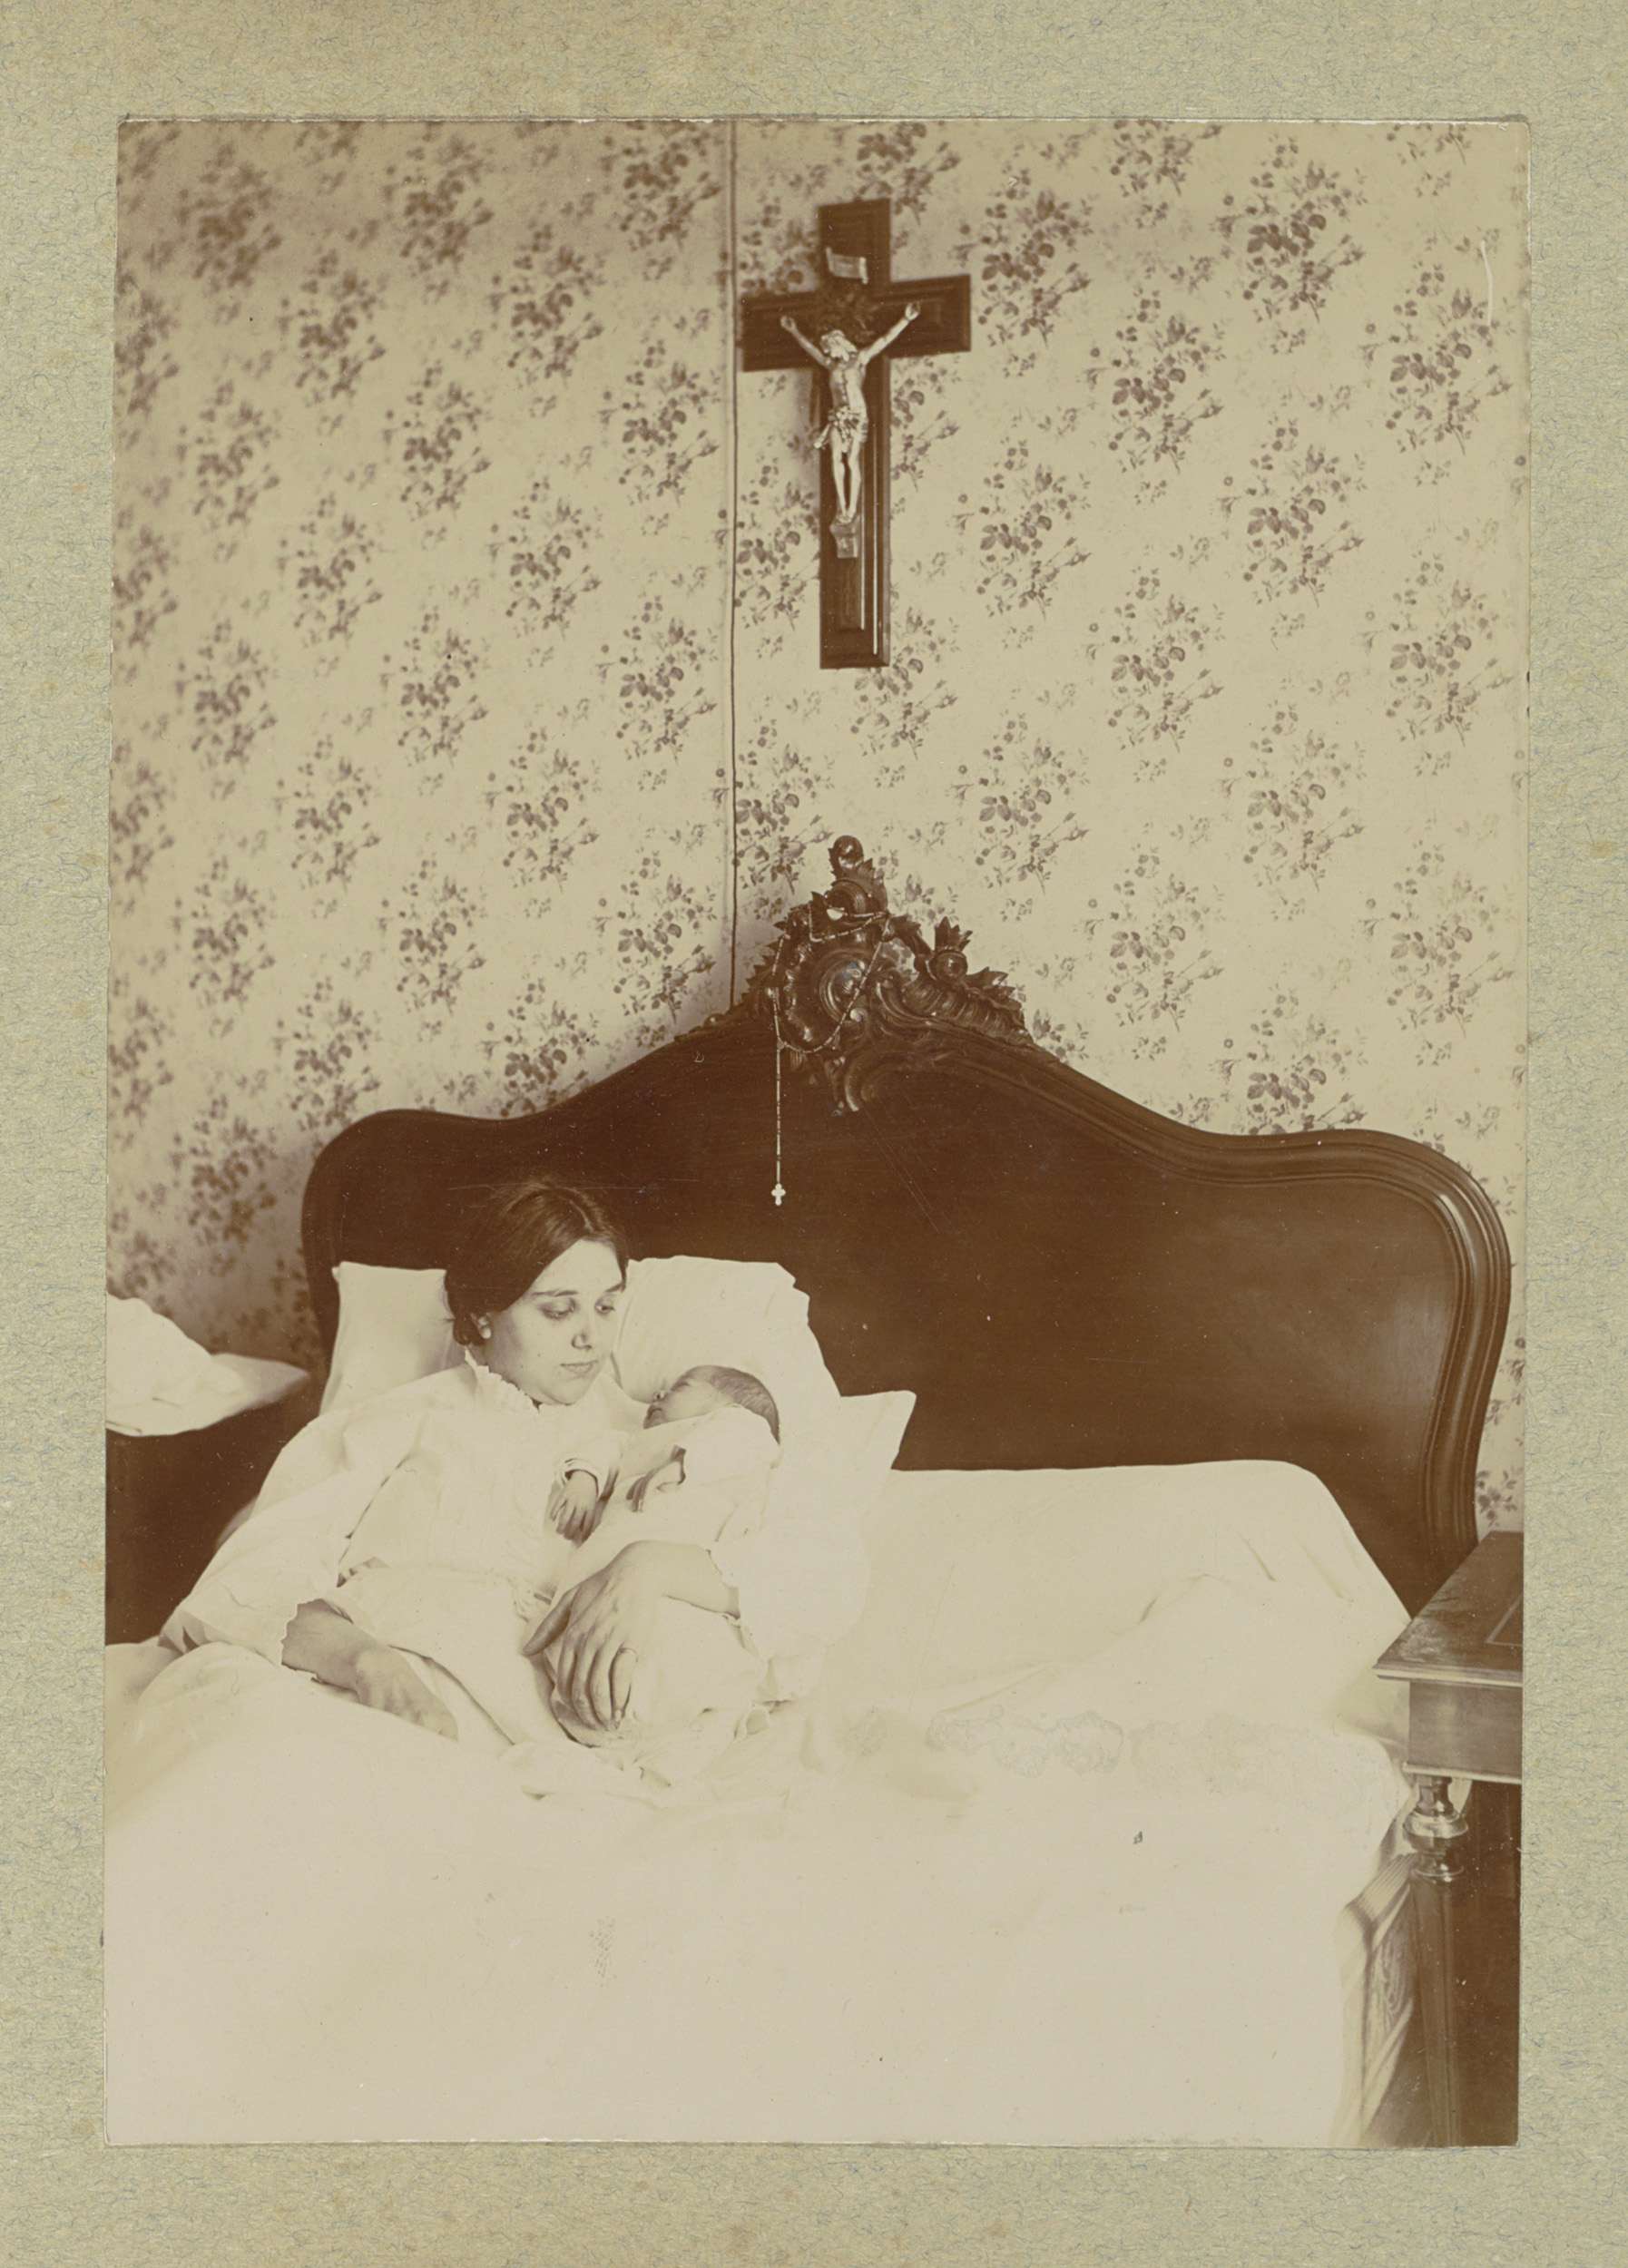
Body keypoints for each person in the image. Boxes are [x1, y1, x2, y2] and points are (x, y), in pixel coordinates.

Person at [162, 1180, 860, 1783]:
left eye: (607, 1306)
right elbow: (244, 1584)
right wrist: (370, 1664)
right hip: (357, 1693)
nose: (590, 1337)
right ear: (482, 1314)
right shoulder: (398, 1421)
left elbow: (824, 1580)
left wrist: (649, 1569)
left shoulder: (666, 1438)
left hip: (542, 1742)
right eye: (558, 1310)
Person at [779, 301, 920, 523]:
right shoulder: (830, 365)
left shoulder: (860, 359)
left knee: (852, 460)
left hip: (857, 415)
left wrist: (906, 319)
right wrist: (794, 330)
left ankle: (852, 507)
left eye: (830, 346)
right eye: (826, 348)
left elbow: (884, 340)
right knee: (835, 457)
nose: (828, 351)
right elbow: (810, 349)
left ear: (839, 343)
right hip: (838, 416)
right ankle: (841, 505)